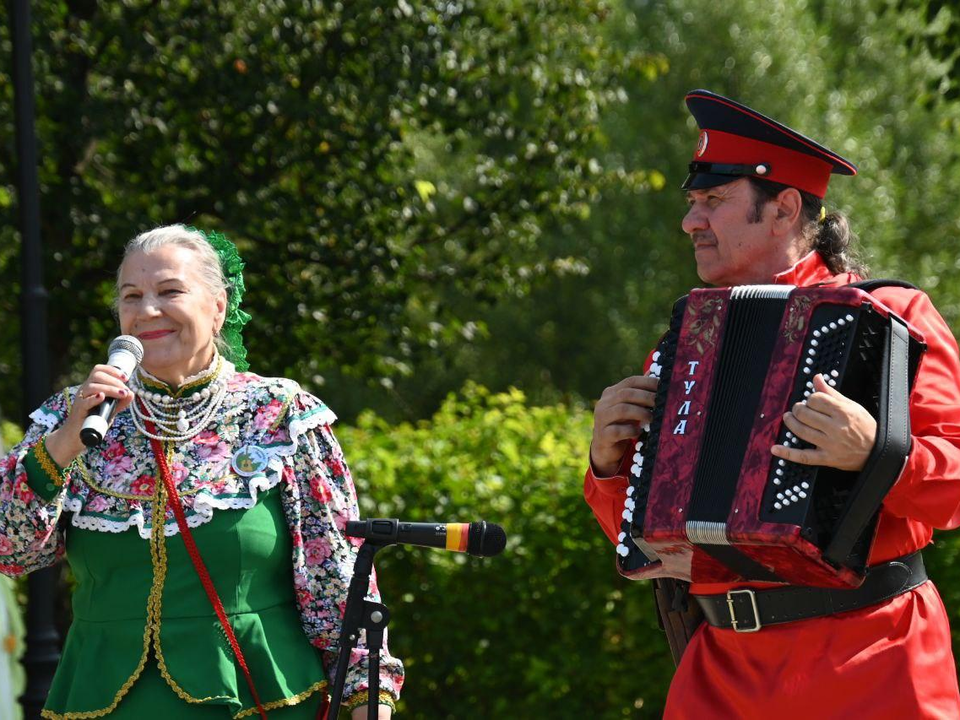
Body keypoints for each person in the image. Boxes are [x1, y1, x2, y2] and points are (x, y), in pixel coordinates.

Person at [585, 90, 960, 718]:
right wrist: (606, 463)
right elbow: (640, 540)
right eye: (692, 203)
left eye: (712, 201)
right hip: (719, 676)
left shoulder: (894, 317)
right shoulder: (686, 339)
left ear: (784, 209)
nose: (690, 221)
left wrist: (878, 455)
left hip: (872, 664)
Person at [0, 225, 403, 718]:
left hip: (261, 699)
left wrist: (368, 700)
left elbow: (340, 583)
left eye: (170, 291)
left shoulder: (280, 414)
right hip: (104, 701)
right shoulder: (72, 416)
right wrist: (63, 443)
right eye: (131, 296)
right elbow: (11, 553)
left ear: (217, 307)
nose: (147, 310)